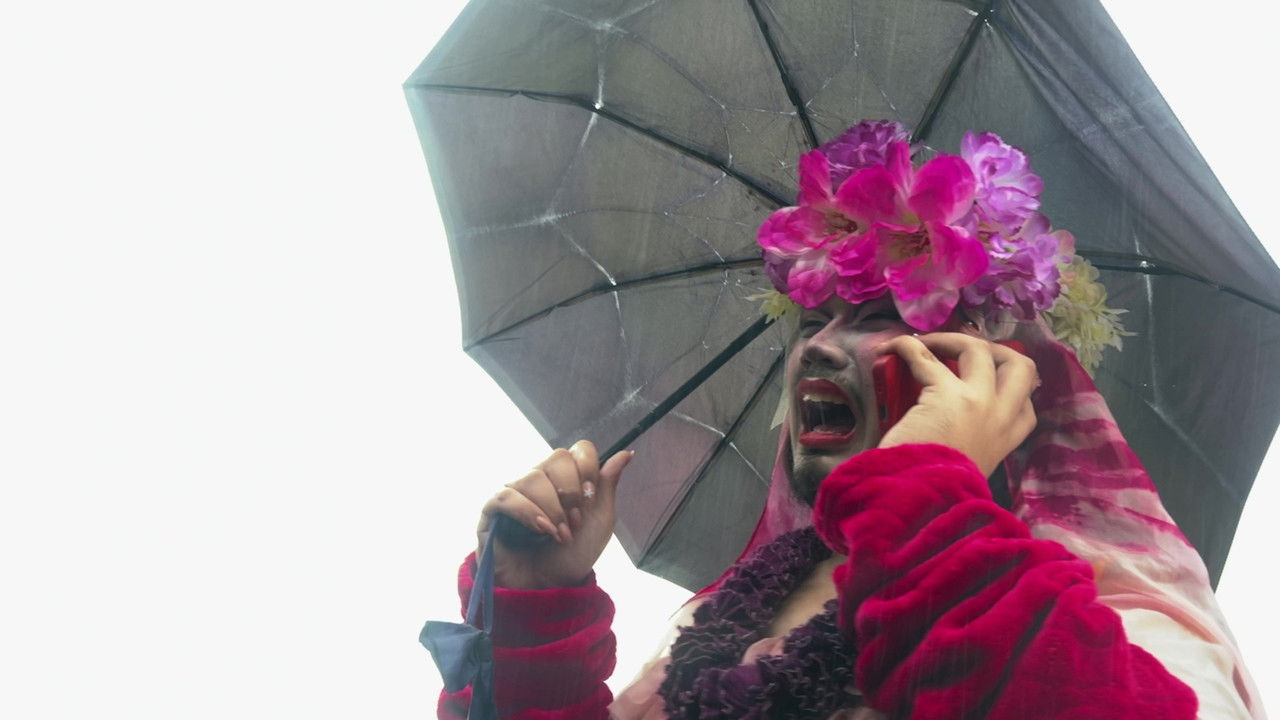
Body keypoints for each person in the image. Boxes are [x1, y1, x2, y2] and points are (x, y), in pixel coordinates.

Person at [435, 123, 1264, 719]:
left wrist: (929, 508)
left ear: (998, 381)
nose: (819, 348)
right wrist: (534, 619)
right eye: (810, 321)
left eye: (879, 317)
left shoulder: (1113, 615)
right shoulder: (710, 625)